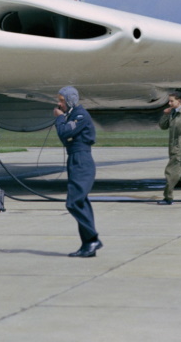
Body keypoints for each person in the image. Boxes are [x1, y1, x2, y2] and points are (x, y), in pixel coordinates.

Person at [53, 86, 102, 258]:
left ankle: (93, 239)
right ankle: (87, 245)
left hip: (81, 160)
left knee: (73, 202)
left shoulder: (80, 115)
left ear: (70, 100)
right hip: (75, 158)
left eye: (61, 100)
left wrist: (60, 120)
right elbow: (64, 137)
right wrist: (63, 124)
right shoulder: (72, 116)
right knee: (81, 202)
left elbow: (65, 132)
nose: (59, 104)